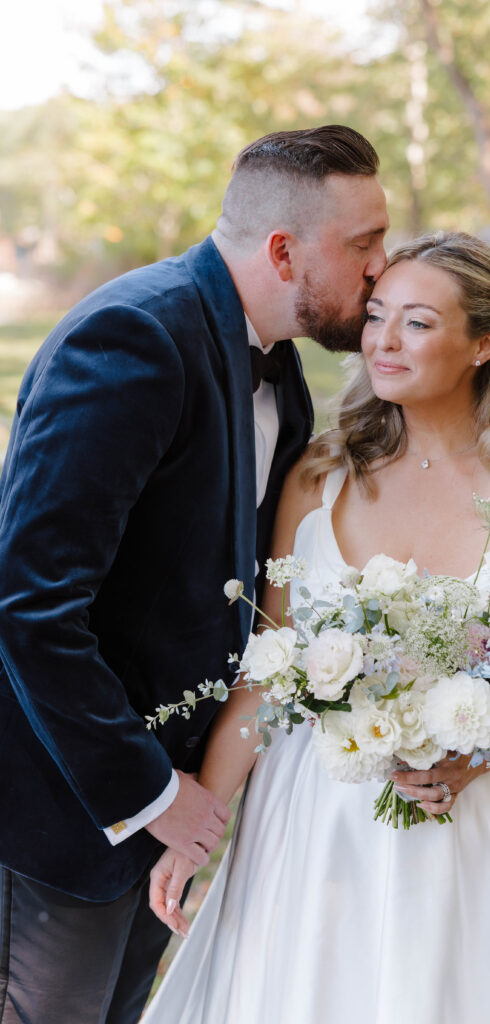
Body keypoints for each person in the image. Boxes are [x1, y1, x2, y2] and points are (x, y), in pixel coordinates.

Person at [145, 231, 490, 1023]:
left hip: (483, 815)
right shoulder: (320, 473)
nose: (382, 342)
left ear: (485, 343)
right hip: (315, 819)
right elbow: (270, 673)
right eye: (375, 315)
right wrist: (196, 831)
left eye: (418, 323)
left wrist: (478, 751)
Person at [0, 125, 389, 1024]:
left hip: (169, 807)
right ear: (285, 251)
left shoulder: (278, 365)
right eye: (363, 243)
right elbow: (31, 608)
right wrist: (148, 792)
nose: (381, 267)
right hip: (67, 804)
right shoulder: (132, 337)